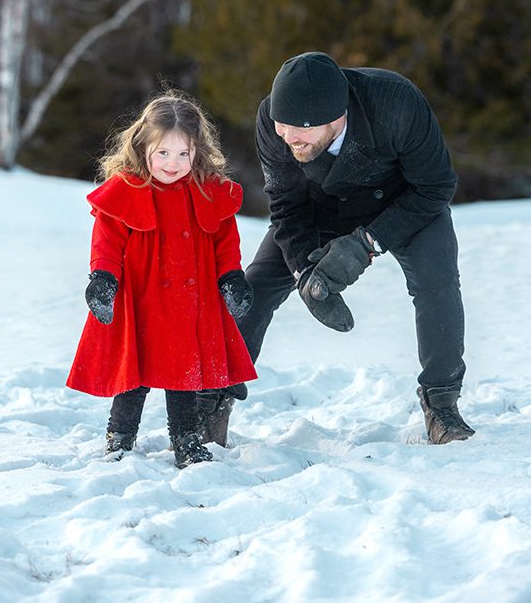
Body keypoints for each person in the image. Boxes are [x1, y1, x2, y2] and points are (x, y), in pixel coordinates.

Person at [199, 52, 474, 448]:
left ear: (337, 116)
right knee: (253, 289)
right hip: (319, 205)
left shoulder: (396, 103)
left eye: (301, 130)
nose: (289, 138)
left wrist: (367, 243)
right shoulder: (271, 122)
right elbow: (286, 206)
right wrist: (306, 273)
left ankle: (442, 404)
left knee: (438, 284)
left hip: (405, 204)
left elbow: (435, 187)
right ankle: (211, 401)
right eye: (282, 127)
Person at [66, 90, 256, 469]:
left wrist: (231, 276)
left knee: (183, 372)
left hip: (190, 300)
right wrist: (103, 277)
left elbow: (224, 242)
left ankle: (186, 439)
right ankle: (120, 437)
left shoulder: (208, 191)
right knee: (133, 374)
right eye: (163, 153)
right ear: (142, 147)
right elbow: (107, 241)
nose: (173, 163)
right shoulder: (126, 190)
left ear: (197, 152)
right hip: (140, 297)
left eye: (183, 154)